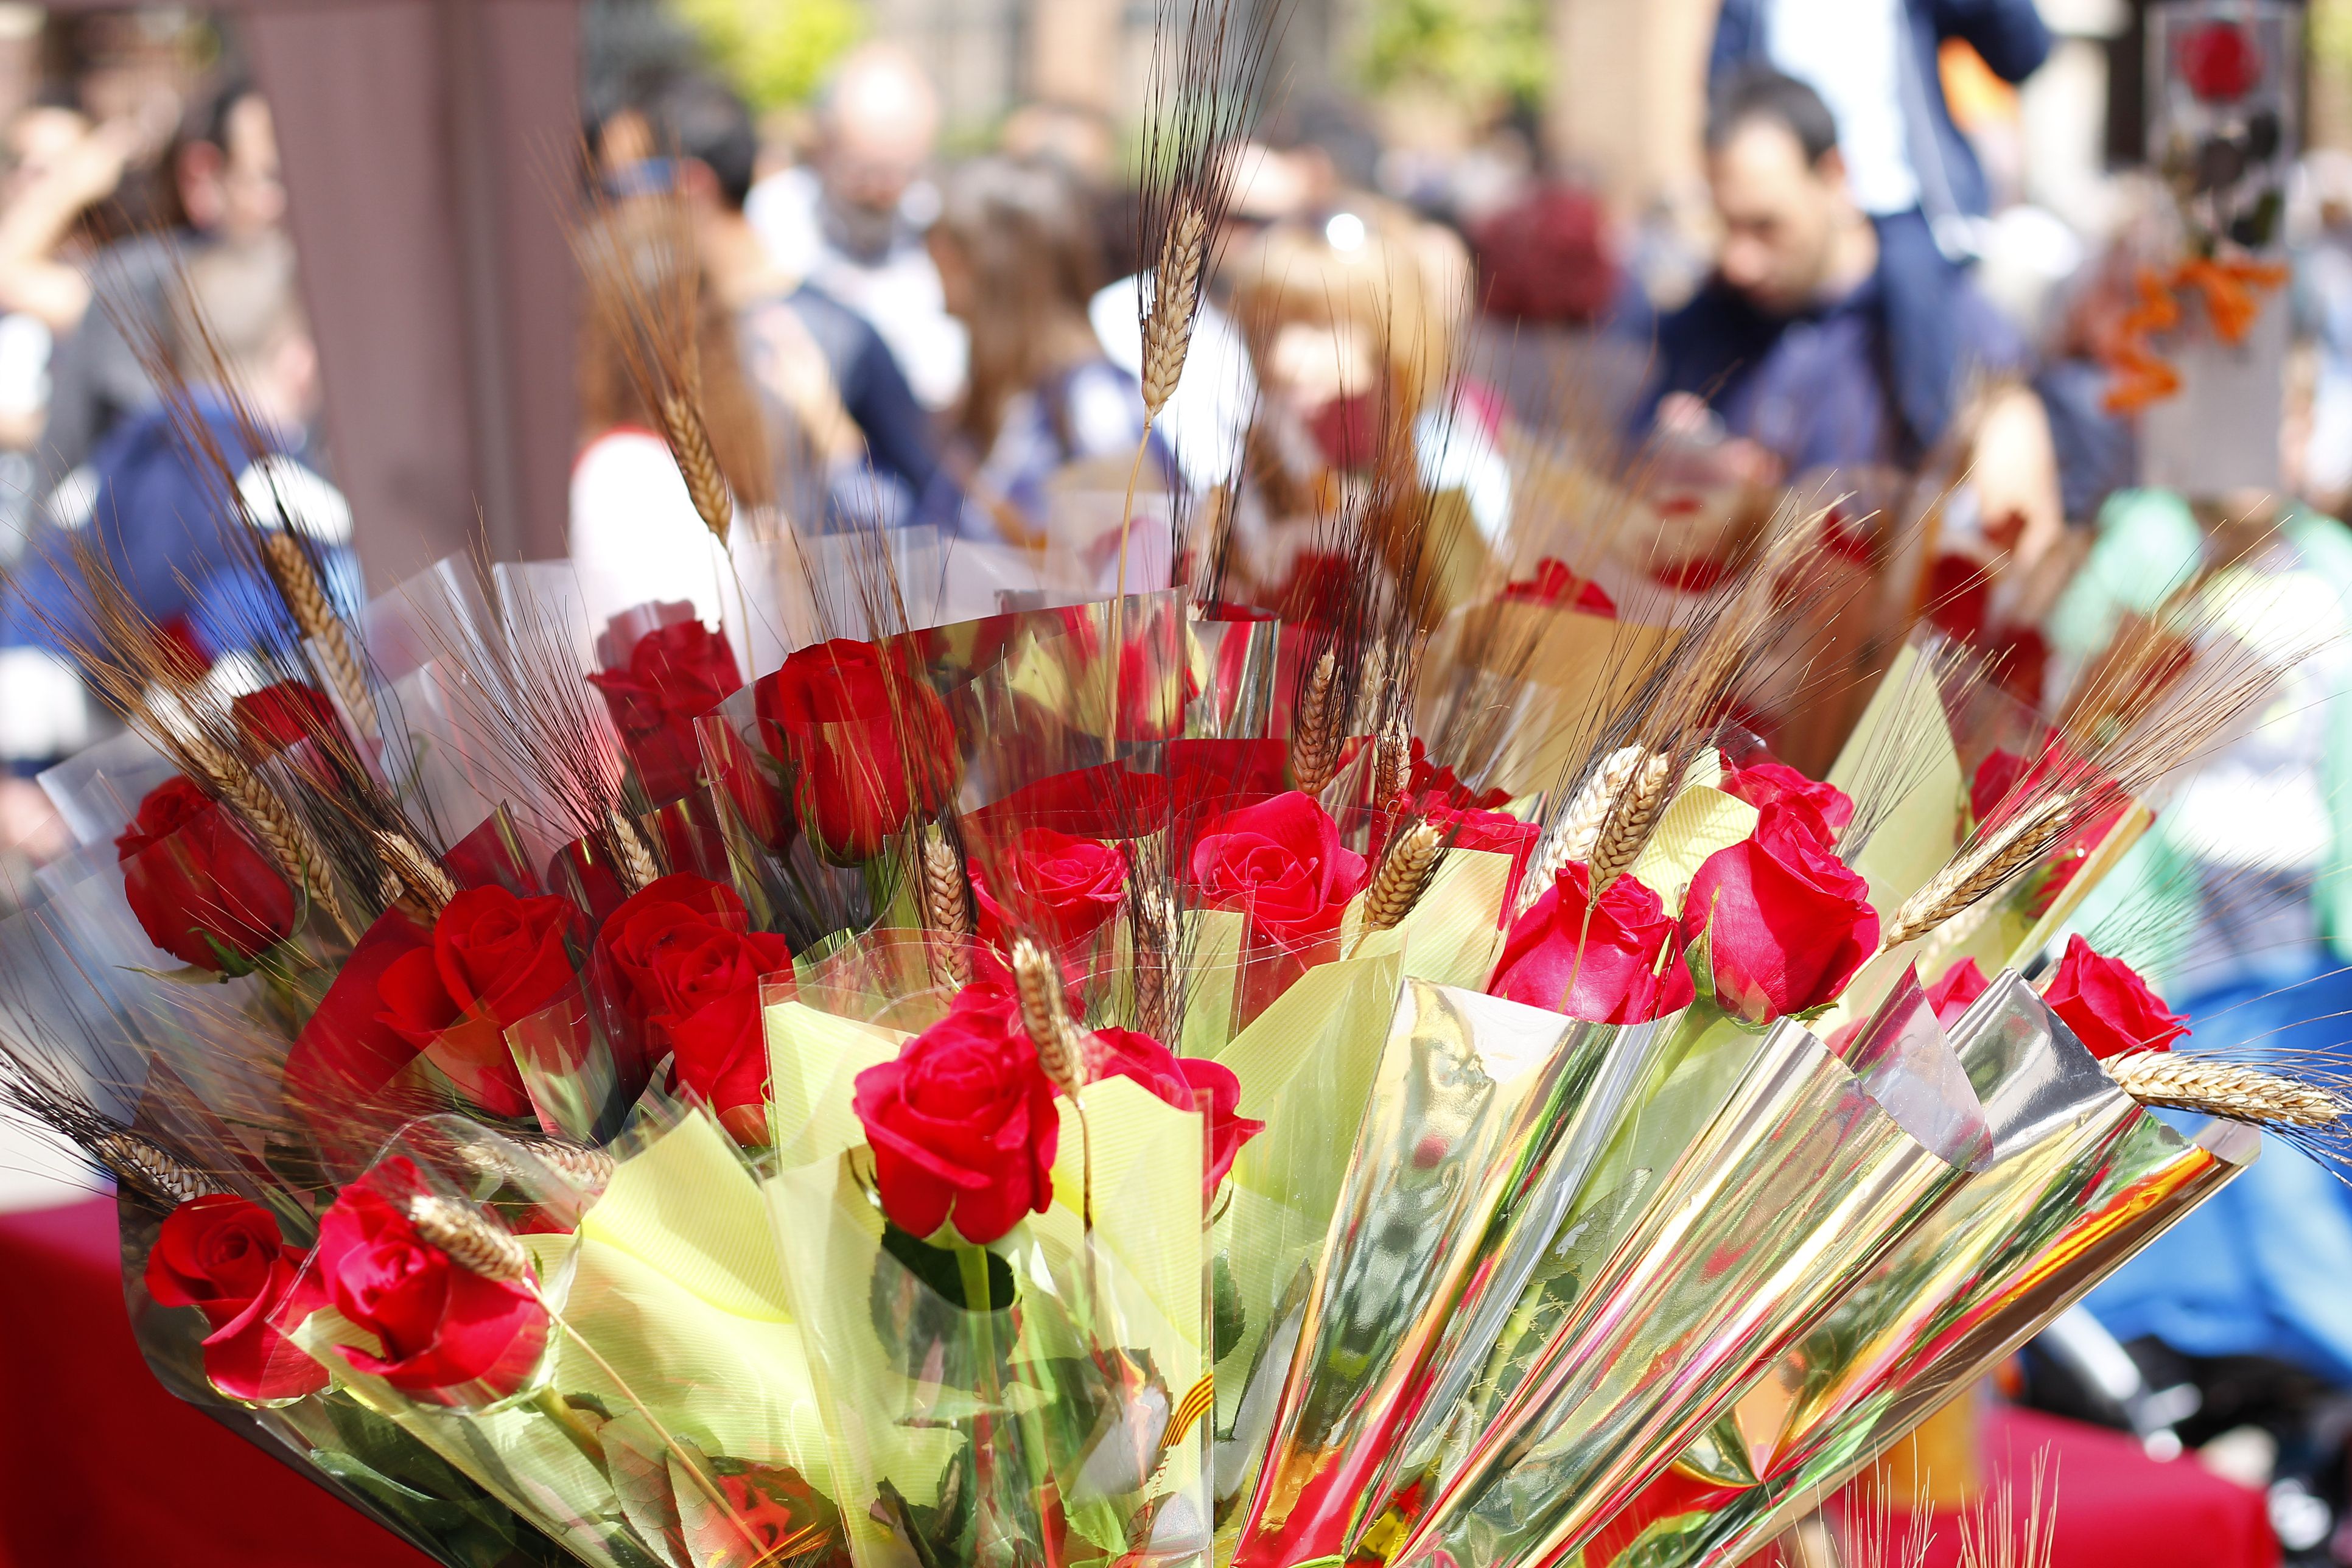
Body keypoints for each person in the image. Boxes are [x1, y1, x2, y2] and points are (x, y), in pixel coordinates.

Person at [0, 231, 356, 773]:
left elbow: (30, 637)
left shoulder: (107, 466)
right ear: (298, 362)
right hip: (191, 802)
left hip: (65, 798)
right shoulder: (280, 495)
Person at [1635, 68, 2028, 482]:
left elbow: (2009, 523)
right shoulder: (1710, 320)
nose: (1739, 262)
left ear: (1835, 177)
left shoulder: (1949, 323)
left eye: (1766, 225)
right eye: (1726, 226)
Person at [1710, 0, 2050, 450]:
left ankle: (1930, 485)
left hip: (1902, 203)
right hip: (1783, 197)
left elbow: (2022, 51)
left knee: (1930, 397)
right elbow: (1722, 85)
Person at [633, 73, 953, 530]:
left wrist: (835, 440)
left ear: (692, 186)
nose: (617, 206)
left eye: (630, 183)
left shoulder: (837, 332)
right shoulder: (652, 329)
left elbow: (933, 517)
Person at [40, 77, 285, 502]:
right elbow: (57, 478)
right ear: (204, 176)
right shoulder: (133, 291)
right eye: (270, 178)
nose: (289, 206)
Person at [928, 155, 1167, 542]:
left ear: (990, 268)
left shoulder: (1093, 405)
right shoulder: (1014, 393)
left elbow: (1132, 576)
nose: (936, 277)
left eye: (947, 259)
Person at [744, 44, 967, 412]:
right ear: (823, 146)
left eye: (903, 171)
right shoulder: (775, 218)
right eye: (865, 171)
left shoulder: (937, 222)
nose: (884, 189)